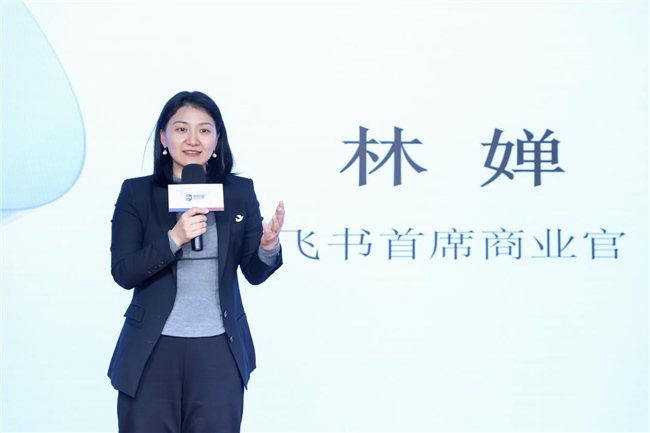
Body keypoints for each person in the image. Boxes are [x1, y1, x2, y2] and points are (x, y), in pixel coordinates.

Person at [108, 90, 284, 432]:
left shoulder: (238, 192)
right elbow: (124, 272)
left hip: (219, 349)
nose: (193, 139)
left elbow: (254, 272)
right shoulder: (137, 193)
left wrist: (268, 246)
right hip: (151, 350)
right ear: (163, 137)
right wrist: (173, 239)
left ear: (217, 139)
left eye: (204, 130)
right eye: (181, 129)